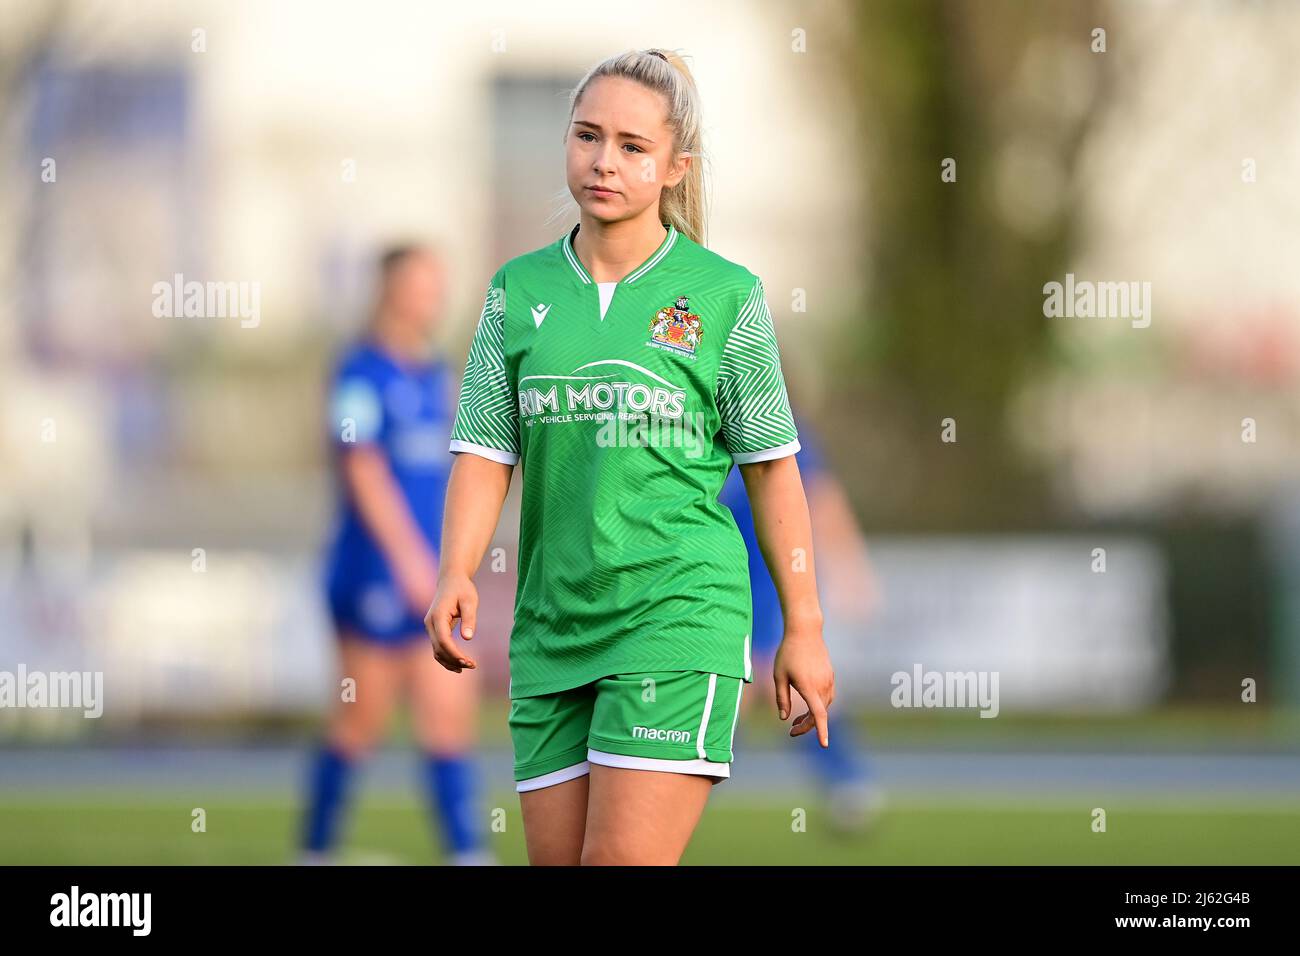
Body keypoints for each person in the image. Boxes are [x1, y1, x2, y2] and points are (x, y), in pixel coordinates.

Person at [426, 48, 835, 866]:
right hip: (550, 630)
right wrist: (456, 570)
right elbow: (484, 451)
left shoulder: (725, 295)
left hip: (677, 616)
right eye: (588, 136)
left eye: (633, 146)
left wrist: (806, 626)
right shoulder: (515, 290)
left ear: (675, 167)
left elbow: (772, 469)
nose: (604, 160)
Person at [301, 244, 492, 865]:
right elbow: (361, 467)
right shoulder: (360, 372)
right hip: (375, 573)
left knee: (449, 715)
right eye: (419, 285)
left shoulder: (436, 372)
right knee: (359, 720)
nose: (431, 299)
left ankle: (467, 852)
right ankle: (315, 850)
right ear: (388, 289)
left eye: (437, 287)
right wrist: (411, 559)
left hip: (433, 574)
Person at [719, 415, 887, 832]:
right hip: (713, 575)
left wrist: (852, 570)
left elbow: (823, 498)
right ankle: (848, 783)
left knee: (773, 684)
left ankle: (849, 783)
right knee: (742, 690)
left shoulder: (773, 421)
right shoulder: (688, 418)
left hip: (768, 579)